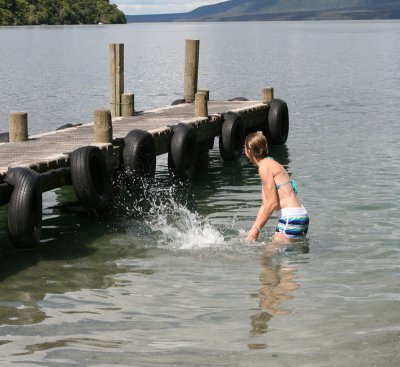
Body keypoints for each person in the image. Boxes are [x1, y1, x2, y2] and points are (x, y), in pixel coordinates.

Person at [245, 132, 309, 242]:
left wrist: (257, 229)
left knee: (266, 254)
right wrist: (253, 229)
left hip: (290, 217)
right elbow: (265, 205)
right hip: (301, 215)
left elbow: (272, 203)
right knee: (288, 257)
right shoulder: (270, 163)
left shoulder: (264, 168)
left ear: (249, 151)